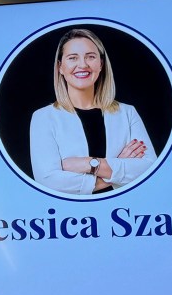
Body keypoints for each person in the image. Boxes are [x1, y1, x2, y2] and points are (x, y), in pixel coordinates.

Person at [29, 28, 157, 195]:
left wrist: (89, 164)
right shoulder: (44, 117)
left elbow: (149, 169)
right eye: (73, 58)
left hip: (125, 207)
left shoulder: (127, 113)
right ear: (60, 67)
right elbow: (48, 181)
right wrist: (116, 168)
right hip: (69, 211)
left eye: (90, 56)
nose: (83, 65)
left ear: (101, 64)